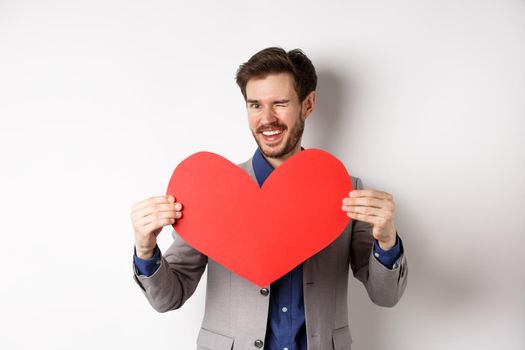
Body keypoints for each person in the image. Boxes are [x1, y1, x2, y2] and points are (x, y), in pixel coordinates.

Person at [130, 47, 408, 350]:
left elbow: (386, 296)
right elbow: (168, 297)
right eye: (255, 105)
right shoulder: (212, 191)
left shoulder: (347, 191)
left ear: (308, 104)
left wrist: (386, 241)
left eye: (280, 103)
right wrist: (146, 251)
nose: (267, 119)